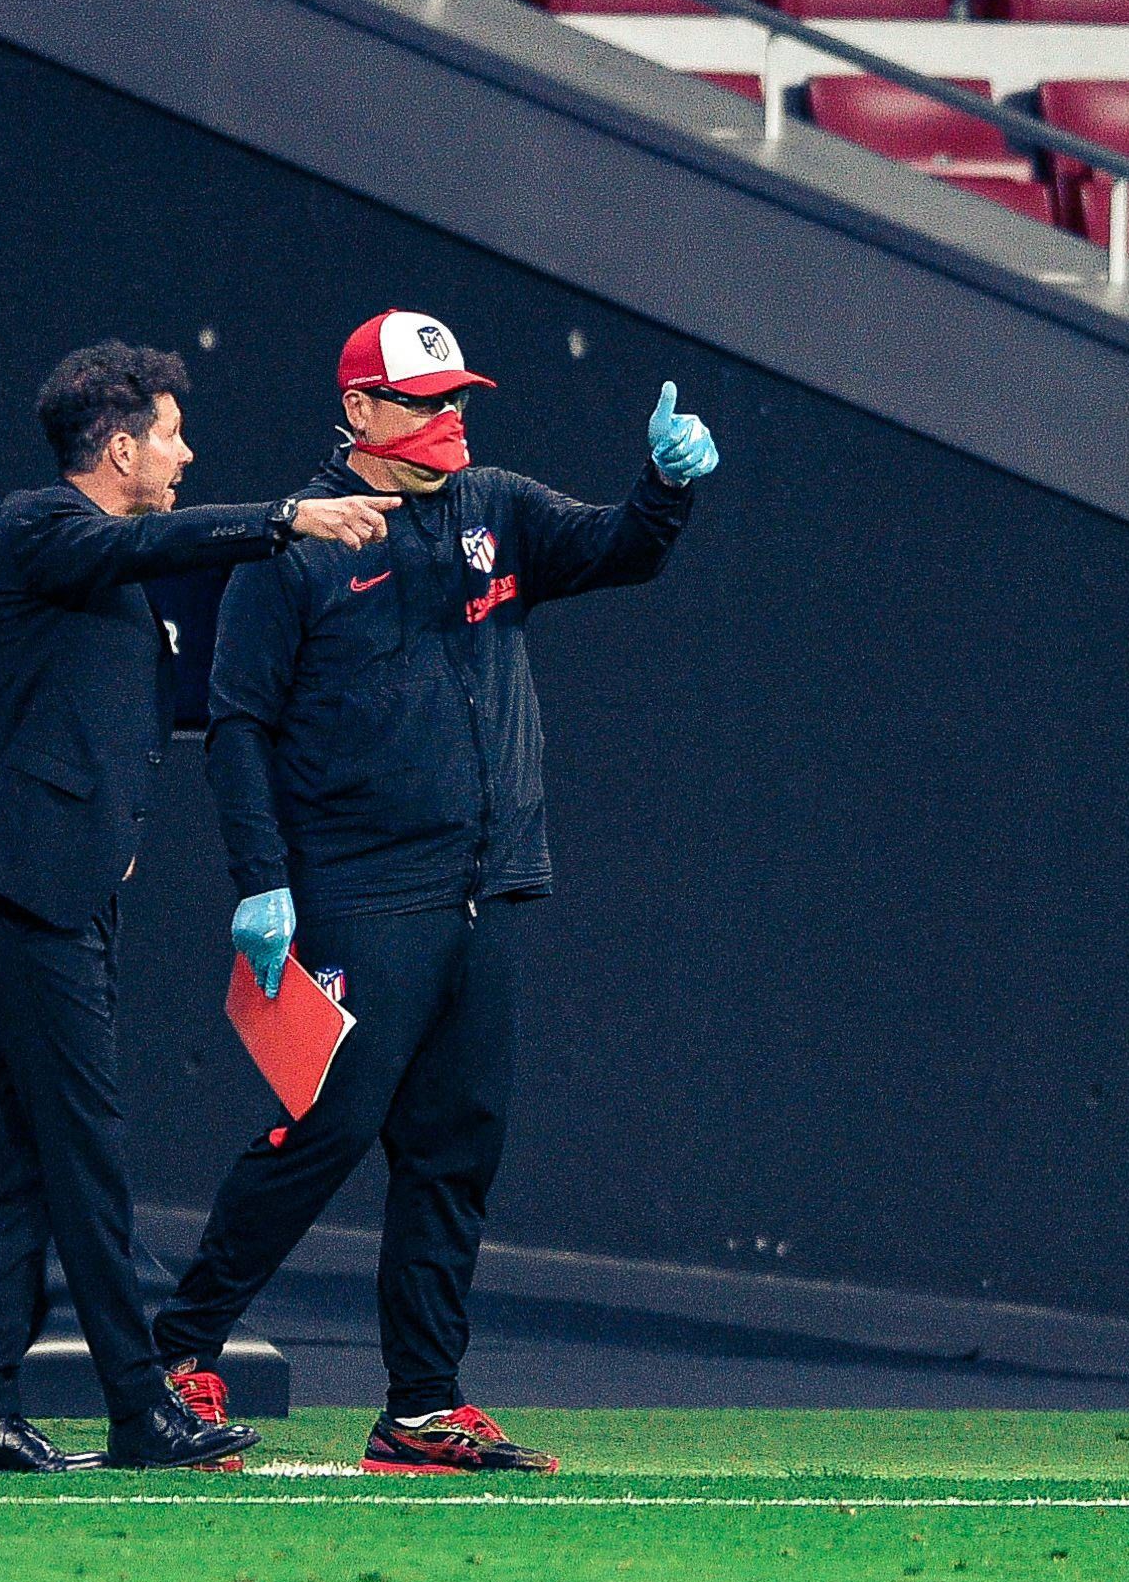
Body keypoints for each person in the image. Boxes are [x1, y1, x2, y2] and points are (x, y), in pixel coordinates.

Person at [149, 310, 717, 1475]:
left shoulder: (494, 505)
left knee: (456, 1148)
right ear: (360, 413)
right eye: (424, 400)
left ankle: (420, 1406)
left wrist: (663, 486)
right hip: (362, 889)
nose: (451, 416)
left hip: (491, 886)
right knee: (330, 1127)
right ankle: (177, 1352)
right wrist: (262, 885)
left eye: (458, 396)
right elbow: (238, 729)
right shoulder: (295, 547)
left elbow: (620, 549)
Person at [0, 340, 400, 1475]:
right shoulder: (42, 524)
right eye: (174, 434)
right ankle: (142, 1407)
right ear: (122, 445)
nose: (186, 454)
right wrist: (292, 518)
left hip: (57, 891)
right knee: (87, 1149)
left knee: (22, 1158)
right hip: (27, 893)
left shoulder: (95, 565)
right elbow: (152, 540)